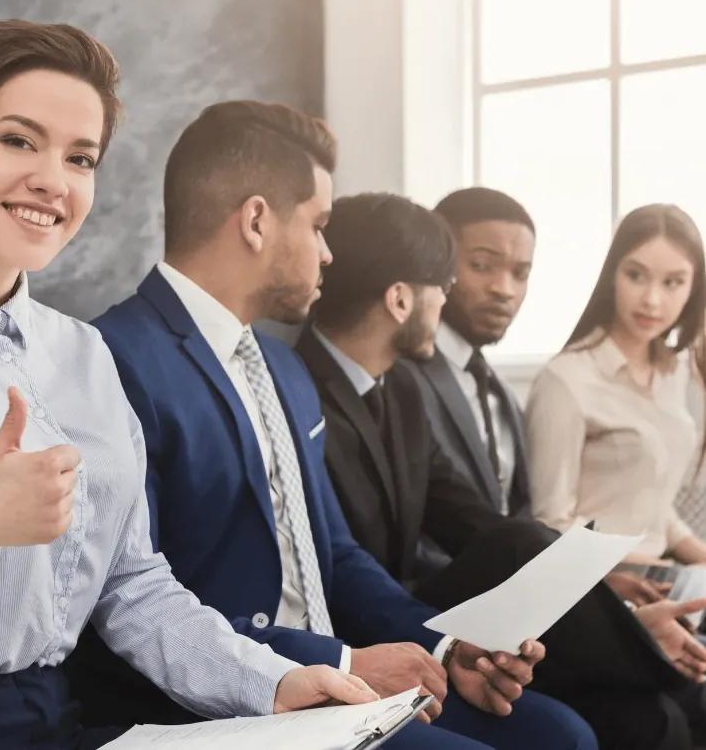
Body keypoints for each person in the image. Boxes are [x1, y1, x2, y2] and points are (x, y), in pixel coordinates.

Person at [0, 21, 378, 750]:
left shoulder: (84, 354)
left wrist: (270, 683)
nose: (53, 181)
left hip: (61, 724)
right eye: (18, 140)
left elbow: (134, 589)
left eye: (80, 158)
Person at [80, 101, 597, 749]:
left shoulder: (282, 368)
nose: (328, 253)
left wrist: (443, 645)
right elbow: (133, 599)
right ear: (257, 221)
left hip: (333, 675)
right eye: (319, 225)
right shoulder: (112, 360)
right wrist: (340, 659)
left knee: (563, 735)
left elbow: (336, 553)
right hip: (223, 700)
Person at [300, 190, 706, 750]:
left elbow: (470, 518)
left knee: (646, 709)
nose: (449, 299)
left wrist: (601, 592)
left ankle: (646, 645)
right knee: (522, 543)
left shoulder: (402, 389)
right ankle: (647, 649)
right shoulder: (301, 388)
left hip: (431, 606)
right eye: (444, 286)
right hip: (374, 615)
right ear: (400, 299)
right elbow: (344, 564)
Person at [527, 204, 706, 568]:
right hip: (592, 583)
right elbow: (551, 524)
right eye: (636, 275)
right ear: (613, 275)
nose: (652, 300)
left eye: (673, 282)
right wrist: (647, 569)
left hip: (658, 574)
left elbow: (652, 507)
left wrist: (698, 557)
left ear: (693, 288)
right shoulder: (565, 379)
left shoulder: (673, 373)